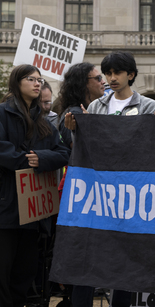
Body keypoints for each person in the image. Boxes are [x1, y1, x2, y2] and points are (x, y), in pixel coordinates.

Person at [65, 52, 155, 307]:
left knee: (125, 258)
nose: (111, 78)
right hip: (100, 192)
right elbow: (86, 149)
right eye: (108, 73)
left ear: (130, 74)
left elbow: (150, 149)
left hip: (131, 192)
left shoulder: (148, 106)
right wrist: (76, 131)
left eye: (117, 73)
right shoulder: (98, 106)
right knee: (91, 253)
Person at [0, 64, 69, 307]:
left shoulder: (43, 121)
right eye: (31, 79)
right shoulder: (2, 113)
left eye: (40, 79)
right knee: (3, 273)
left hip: (33, 214)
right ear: (17, 82)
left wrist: (41, 159)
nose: (37, 83)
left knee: (24, 274)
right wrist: (27, 160)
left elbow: (63, 152)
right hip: (6, 209)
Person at [54, 62, 105, 307]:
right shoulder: (74, 114)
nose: (103, 81)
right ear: (85, 83)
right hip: (82, 196)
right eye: (98, 78)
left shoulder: (87, 109)